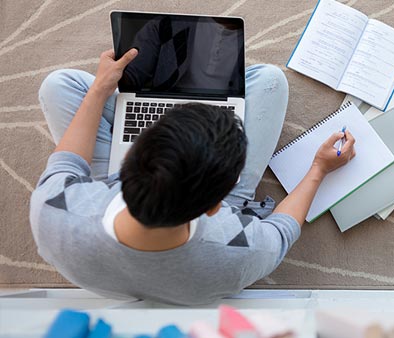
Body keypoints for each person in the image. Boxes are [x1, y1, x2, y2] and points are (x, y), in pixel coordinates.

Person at [29, 48, 356, 305]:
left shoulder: (54, 207)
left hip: (109, 238)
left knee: (58, 85)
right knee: (270, 80)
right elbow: (282, 229)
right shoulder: (240, 250)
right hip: (200, 240)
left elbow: (70, 159)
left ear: (129, 157)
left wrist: (102, 87)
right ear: (216, 206)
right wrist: (319, 169)